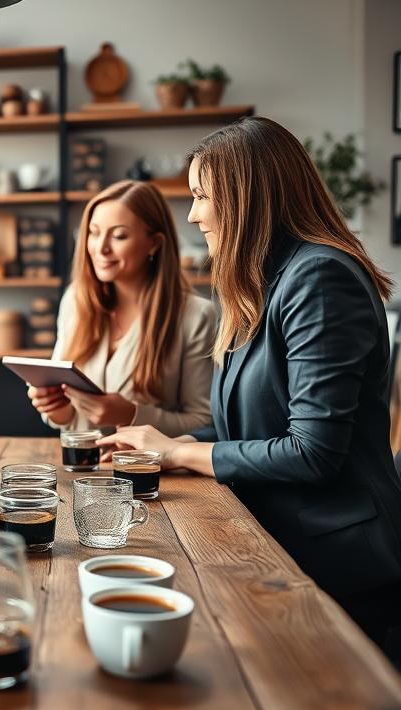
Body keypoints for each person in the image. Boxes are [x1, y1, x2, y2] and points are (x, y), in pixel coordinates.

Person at [99, 116, 401, 666]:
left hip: (339, 559)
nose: (192, 214)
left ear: (248, 197)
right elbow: (245, 429)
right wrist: (159, 442)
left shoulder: (320, 279)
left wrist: (181, 452)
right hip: (278, 539)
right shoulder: (259, 282)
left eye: (201, 196)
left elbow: (312, 453)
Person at [28, 180, 216, 435]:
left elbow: (204, 423)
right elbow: (67, 418)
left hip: (150, 472)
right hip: (81, 468)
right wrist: (57, 410)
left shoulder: (196, 316)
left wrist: (132, 415)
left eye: (119, 235)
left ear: (154, 243)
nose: (101, 248)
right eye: (93, 233)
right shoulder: (75, 300)